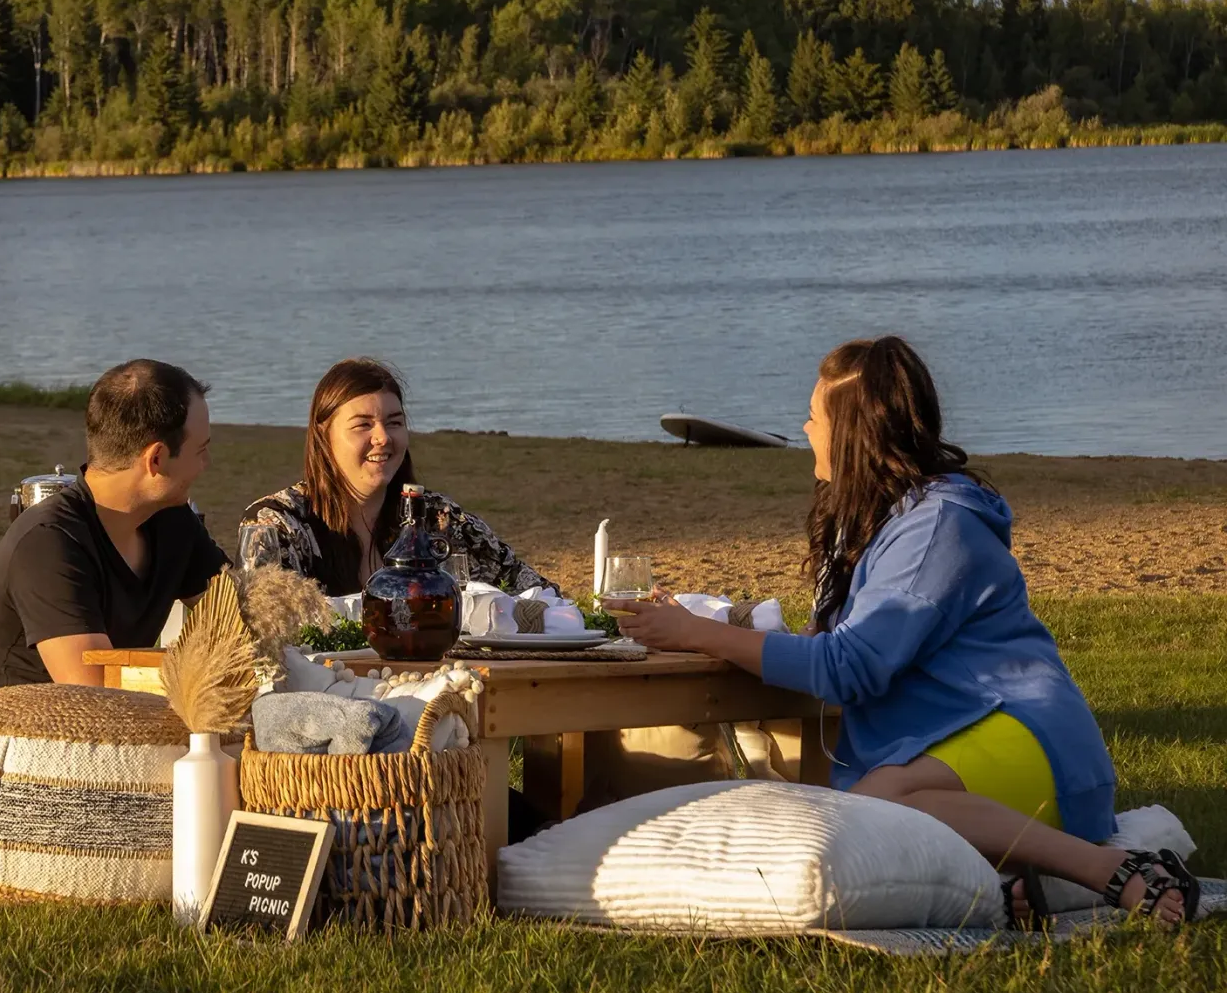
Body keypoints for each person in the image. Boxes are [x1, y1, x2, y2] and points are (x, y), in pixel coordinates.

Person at [611, 336, 1196, 928]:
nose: (806, 427)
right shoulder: (883, 520)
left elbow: (848, 667)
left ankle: (1106, 868)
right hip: (950, 747)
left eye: (815, 417)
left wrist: (698, 633)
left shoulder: (939, 524)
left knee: (870, 810)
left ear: (853, 432)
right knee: (866, 812)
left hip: (1029, 740)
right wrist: (707, 628)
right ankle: (1008, 888)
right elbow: (838, 647)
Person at [0, 359, 228, 695]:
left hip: (122, 729)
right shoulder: (48, 542)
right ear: (157, 459)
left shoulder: (171, 521)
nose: (206, 464)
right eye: (201, 450)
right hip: (16, 736)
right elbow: (95, 689)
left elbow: (235, 617)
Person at [238, 358, 554, 597]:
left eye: (394, 422)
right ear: (324, 436)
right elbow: (265, 638)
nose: (383, 438)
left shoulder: (440, 521)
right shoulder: (277, 527)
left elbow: (539, 597)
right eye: (363, 425)